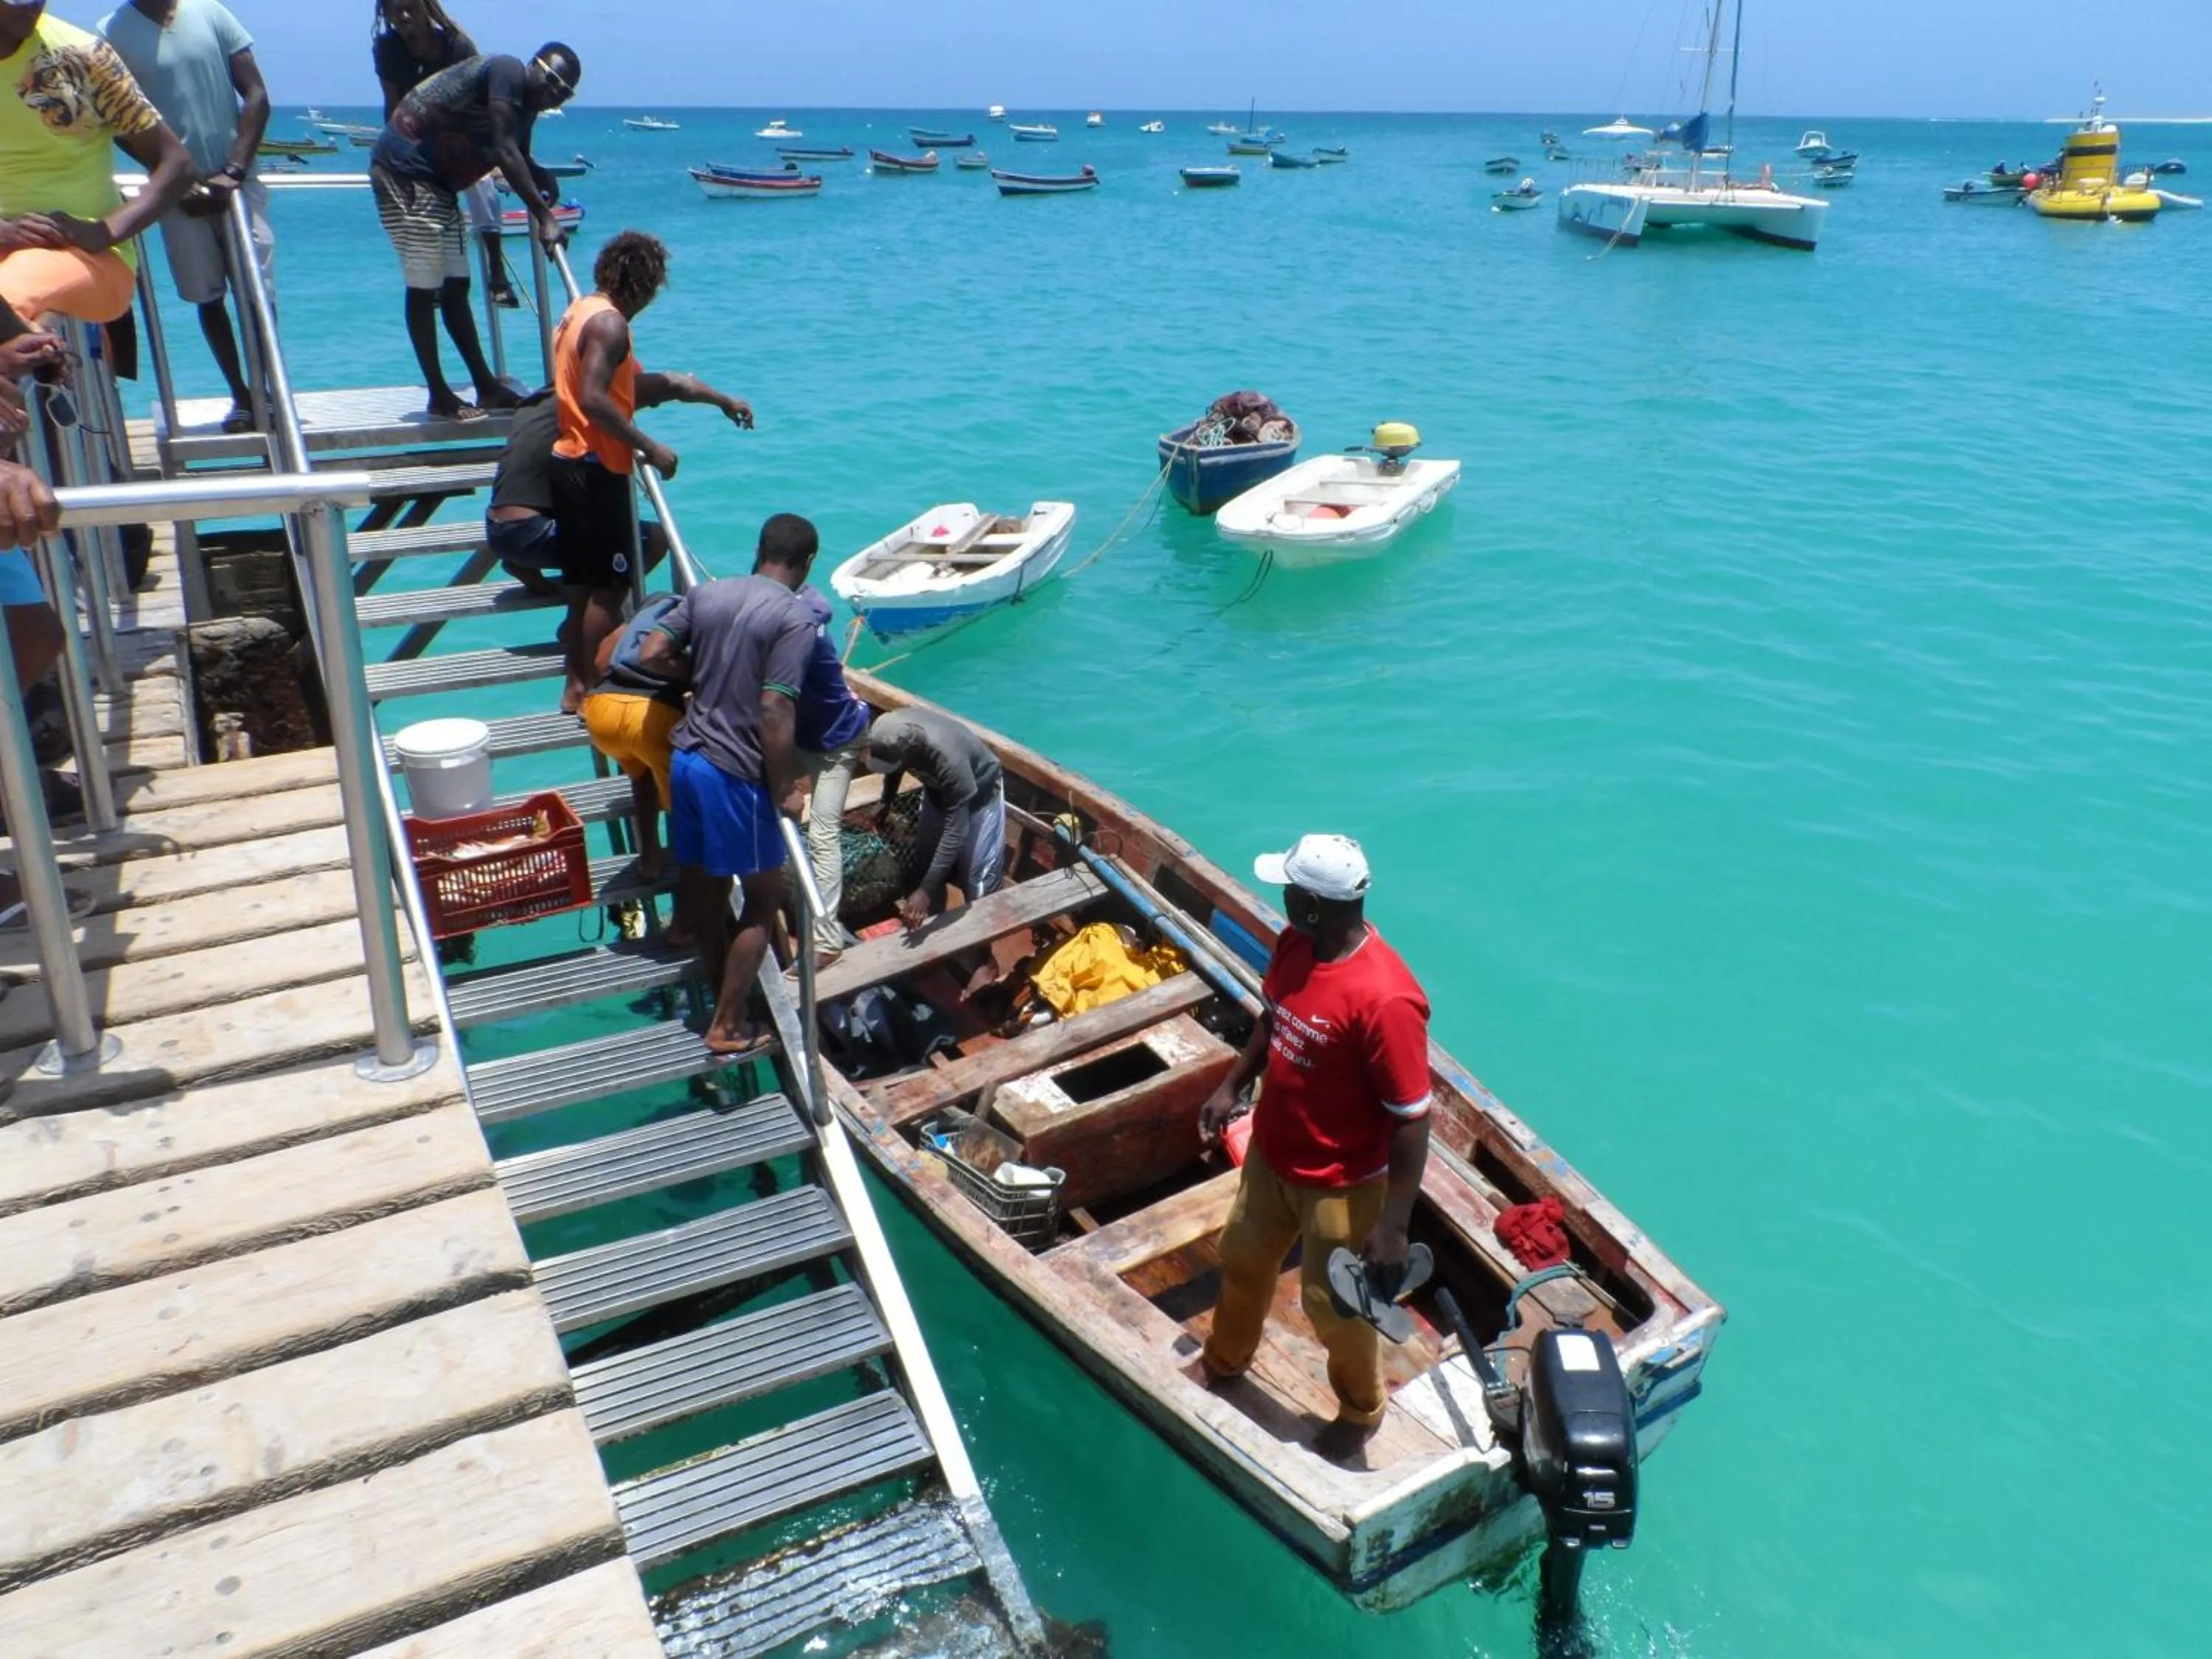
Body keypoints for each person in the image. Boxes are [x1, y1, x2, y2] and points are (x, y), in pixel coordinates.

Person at [1196, 834, 1433, 1464]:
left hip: (1342, 1182)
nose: (1282, 900)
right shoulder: (1296, 944)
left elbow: (1413, 1118)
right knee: (1243, 1258)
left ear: (1314, 905)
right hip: (1274, 1154)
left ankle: (1361, 1410)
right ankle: (1225, 1359)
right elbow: (1274, 1019)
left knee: (1333, 1307)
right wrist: (1230, 1085)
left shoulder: (1386, 1000)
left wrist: (1393, 1225)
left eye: (1289, 892)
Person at [635, 516, 817, 1057]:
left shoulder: (707, 593)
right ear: (808, 564)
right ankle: (728, 1024)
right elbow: (775, 707)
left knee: (708, 886)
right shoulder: (795, 618)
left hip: (687, 759)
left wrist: (699, 676)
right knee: (762, 899)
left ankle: (717, 990)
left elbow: (650, 654)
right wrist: (784, 784)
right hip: (733, 772)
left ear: (758, 550)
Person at [549, 229, 750, 709]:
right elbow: (595, 399)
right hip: (597, 469)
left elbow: (665, 384)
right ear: (640, 283)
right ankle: (598, 692)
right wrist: (650, 447)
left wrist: (720, 399)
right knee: (607, 589)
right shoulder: (612, 326)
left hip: (568, 460)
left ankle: (574, 686)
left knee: (581, 588)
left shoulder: (581, 312)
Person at [368, 39, 577, 420]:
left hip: (440, 186)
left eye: (564, 92)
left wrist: (541, 175)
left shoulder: (526, 107)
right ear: (534, 65)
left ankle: (485, 386)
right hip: (405, 171)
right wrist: (546, 217)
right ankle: (439, 394)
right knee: (424, 286)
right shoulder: (507, 71)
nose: (553, 93)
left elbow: (519, 155)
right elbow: (504, 150)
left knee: (456, 287)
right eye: (551, 80)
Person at [98, 0, 273, 434]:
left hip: (239, 179)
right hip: (177, 192)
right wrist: (174, 178)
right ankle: (242, 396)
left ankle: (268, 390)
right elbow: (116, 123)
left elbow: (256, 94)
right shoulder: (109, 33)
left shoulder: (211, 11)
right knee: (207, 296)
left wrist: (234, 170)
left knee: (257, 294)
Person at [1, 1, 194, 331]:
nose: (31, 7)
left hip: (83, 255)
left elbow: (176, 164)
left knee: (8, 298)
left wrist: (103, 232)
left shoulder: (82, 55)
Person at [369, 0, 512, 308]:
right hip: (417, 145)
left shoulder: (456, 45)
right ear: (386, 14)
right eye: (396, 10)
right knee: (410, 195)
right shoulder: (388, 49)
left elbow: (487, 102)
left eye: (410, 8)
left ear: (425, 8)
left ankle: (497, 276)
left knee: (483, 186)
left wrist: (497, 158)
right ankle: (431, 282)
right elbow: (391, 104)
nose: (404, 16)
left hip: (463, 137)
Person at [863, 705, 1007, 932]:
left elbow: (956, 831)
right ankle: (927, 924)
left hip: (980, 800)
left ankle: (984, 952)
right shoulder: (893, 727)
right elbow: (895, 767)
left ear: (912, 751)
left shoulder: (950, 761)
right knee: (924, 863)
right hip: (936, 793)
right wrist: (886, 801)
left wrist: (926, 891)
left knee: (978, 882)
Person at [580, 590, 684, 881]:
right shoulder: (686, 624)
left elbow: (601, 663)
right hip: (651, 718)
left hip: (603, 713)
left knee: (641, 776)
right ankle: (692, 871)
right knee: (683, 801)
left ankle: (649, 858)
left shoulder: (633, 627)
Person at [792, 585, 867, 967]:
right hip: (801, 737)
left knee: (823, 835)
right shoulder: (797, 616)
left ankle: (826, 939)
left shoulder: (798, 632)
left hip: (838, 740)